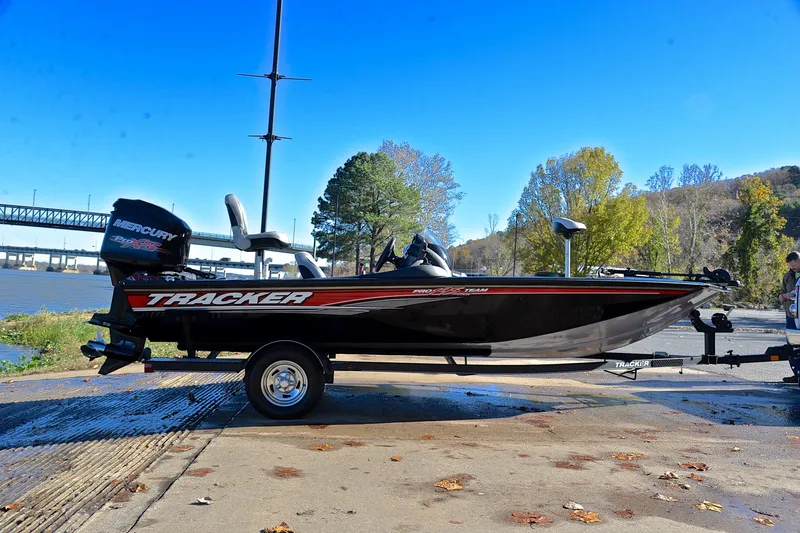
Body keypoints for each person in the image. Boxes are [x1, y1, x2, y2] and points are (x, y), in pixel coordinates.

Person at [778, 251, 800, 383]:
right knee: (792, 345)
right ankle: (796, 373)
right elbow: (782, 293)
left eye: (794, 264)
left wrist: (791, 295)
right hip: (791, 315)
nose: (793, 267)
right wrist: (783, 296)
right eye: (790, 265)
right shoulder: (787, 276)